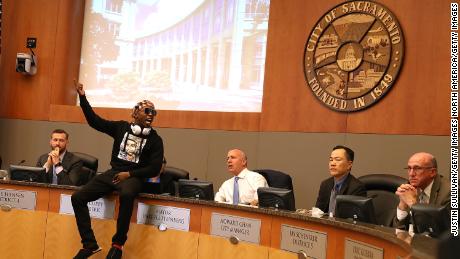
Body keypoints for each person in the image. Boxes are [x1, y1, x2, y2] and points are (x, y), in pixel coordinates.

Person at [71, 80, 164, 259]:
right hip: (113, 174)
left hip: (133, 177)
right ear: (135, 113)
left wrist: (129, 174)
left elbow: (154, 168)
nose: (151, 115)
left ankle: (118, 244)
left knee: (127, 195)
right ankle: (89, 245)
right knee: (78, 198)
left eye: (154, 112)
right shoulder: (121, 128)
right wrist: (82, 97)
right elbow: (94, 121)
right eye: (147, 111)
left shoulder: (155, 139)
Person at [393, 152, 450, 230]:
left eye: (417, 168)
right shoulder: (410, 188)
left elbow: (435, 231)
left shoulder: (450, 193)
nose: (411, 174)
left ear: (432, 172)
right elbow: (398, 230)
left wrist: (413, 204)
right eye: (409, 168)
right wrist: (403, 206)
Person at [315, 145, 366, 215]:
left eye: (337, 159)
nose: (332, 163)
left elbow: (353, 218)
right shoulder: (325, 184)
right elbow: (318, 212)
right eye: (331, 160)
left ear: (349, 164)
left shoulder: (356, 188)